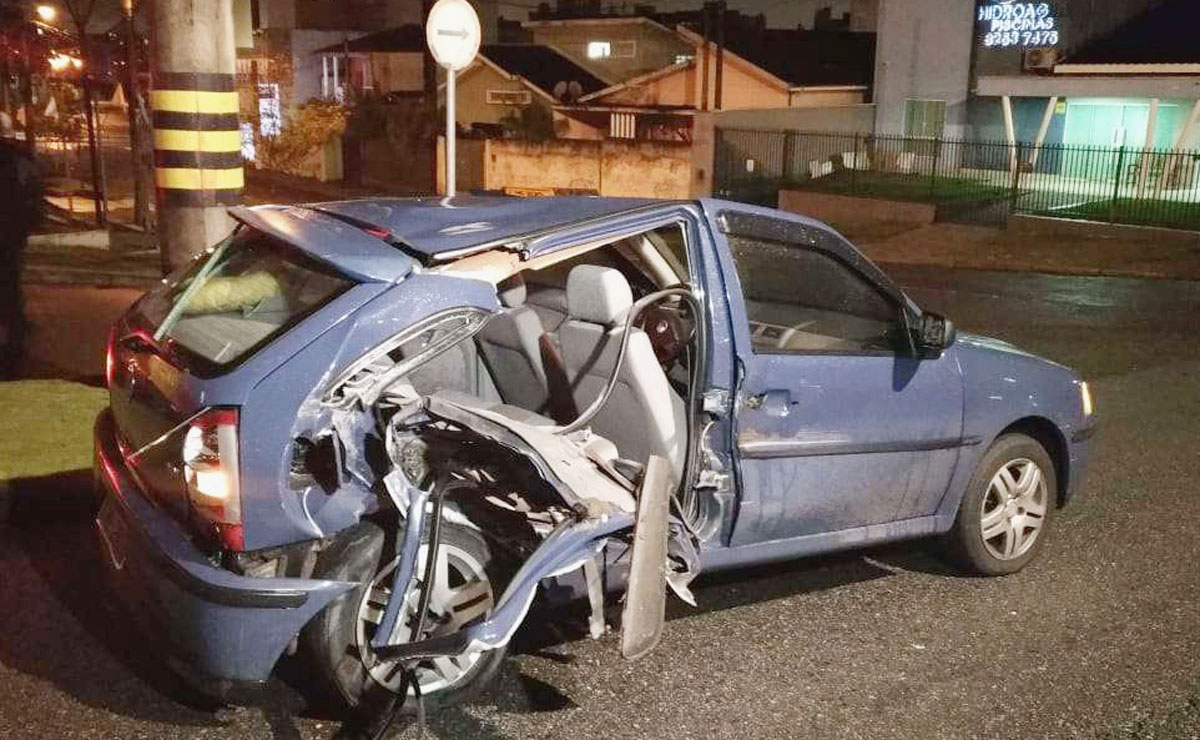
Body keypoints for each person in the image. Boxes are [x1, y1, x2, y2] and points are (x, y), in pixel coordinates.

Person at [0, 112, 42, 379]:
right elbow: (34, 197)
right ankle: (15, 338)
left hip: (9, 234)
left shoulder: (15, 160)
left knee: (9, 288)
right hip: (12, 236)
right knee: (10, 287)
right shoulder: (21, 159)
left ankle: (14, 339)